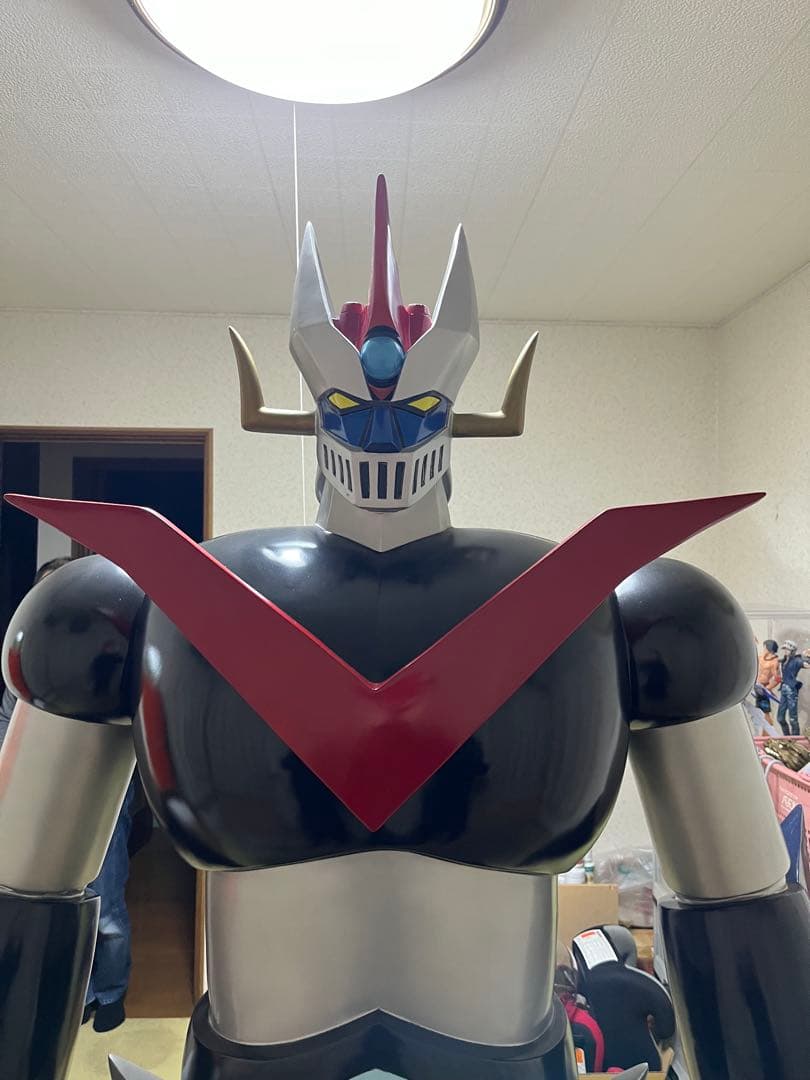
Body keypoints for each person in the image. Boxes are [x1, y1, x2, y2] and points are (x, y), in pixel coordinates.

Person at [0, 555, 134, 1033]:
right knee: (43, 900)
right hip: (34, 792)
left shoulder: (112, 653)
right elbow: (6, 718)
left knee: (106, 900)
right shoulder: (26, 657)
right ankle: (73, 997)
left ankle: (111, 992)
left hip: (101, 793)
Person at [776, 640, 810, 736]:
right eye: (785, 649)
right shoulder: (783, 661)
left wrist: (807, 656)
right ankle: (787, 737)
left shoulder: (797, 661)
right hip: (784, 689)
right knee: (780, 718)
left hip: (791, 690)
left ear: (792, 651)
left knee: (793, 718)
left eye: (788, 649)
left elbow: (807, 665)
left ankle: (796, 738)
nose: (785, 651)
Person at [752, 639, 781, 734]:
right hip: (757, 686)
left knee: (765, 711)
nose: (764, 649)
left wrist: (768, 688)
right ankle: (763, 733)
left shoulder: (774, 662)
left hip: (763, 688)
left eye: (765, 647)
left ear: (769, 648)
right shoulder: (762, 657)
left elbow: (778, 678)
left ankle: (767, 734)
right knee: (758, 711)